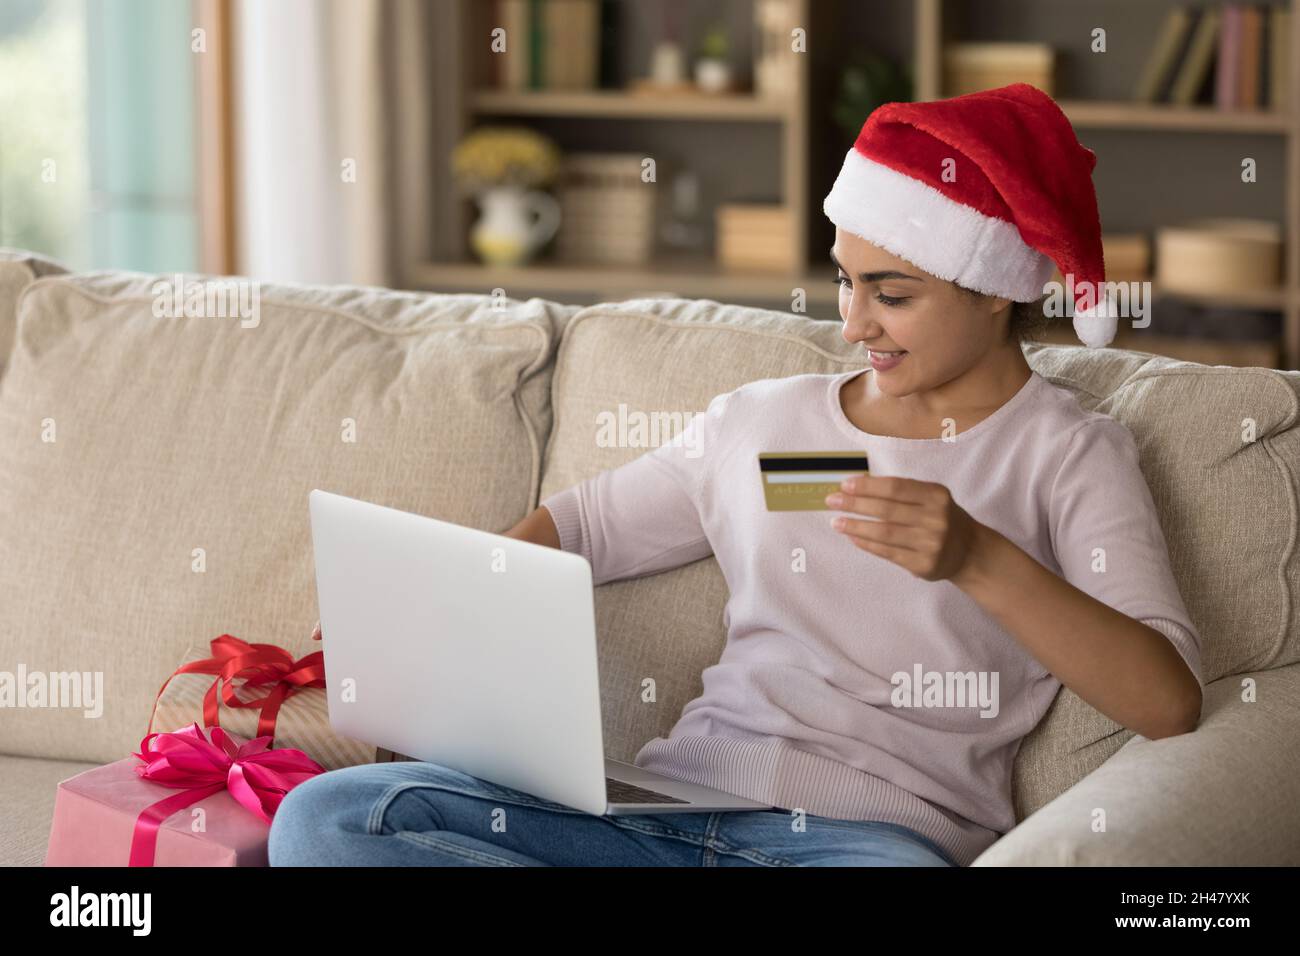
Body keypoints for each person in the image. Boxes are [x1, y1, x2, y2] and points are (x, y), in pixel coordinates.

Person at [268, 83, 1201, 868]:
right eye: (845, 280)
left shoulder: (1069, 454)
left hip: (870, 841)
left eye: (893, 294)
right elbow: (584, 530)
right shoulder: (767, 425)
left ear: (997, 289)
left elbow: (1165, 700)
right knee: (332, 818)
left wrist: (978, 558)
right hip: (667, 809)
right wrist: (429, 626)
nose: (854, 324)